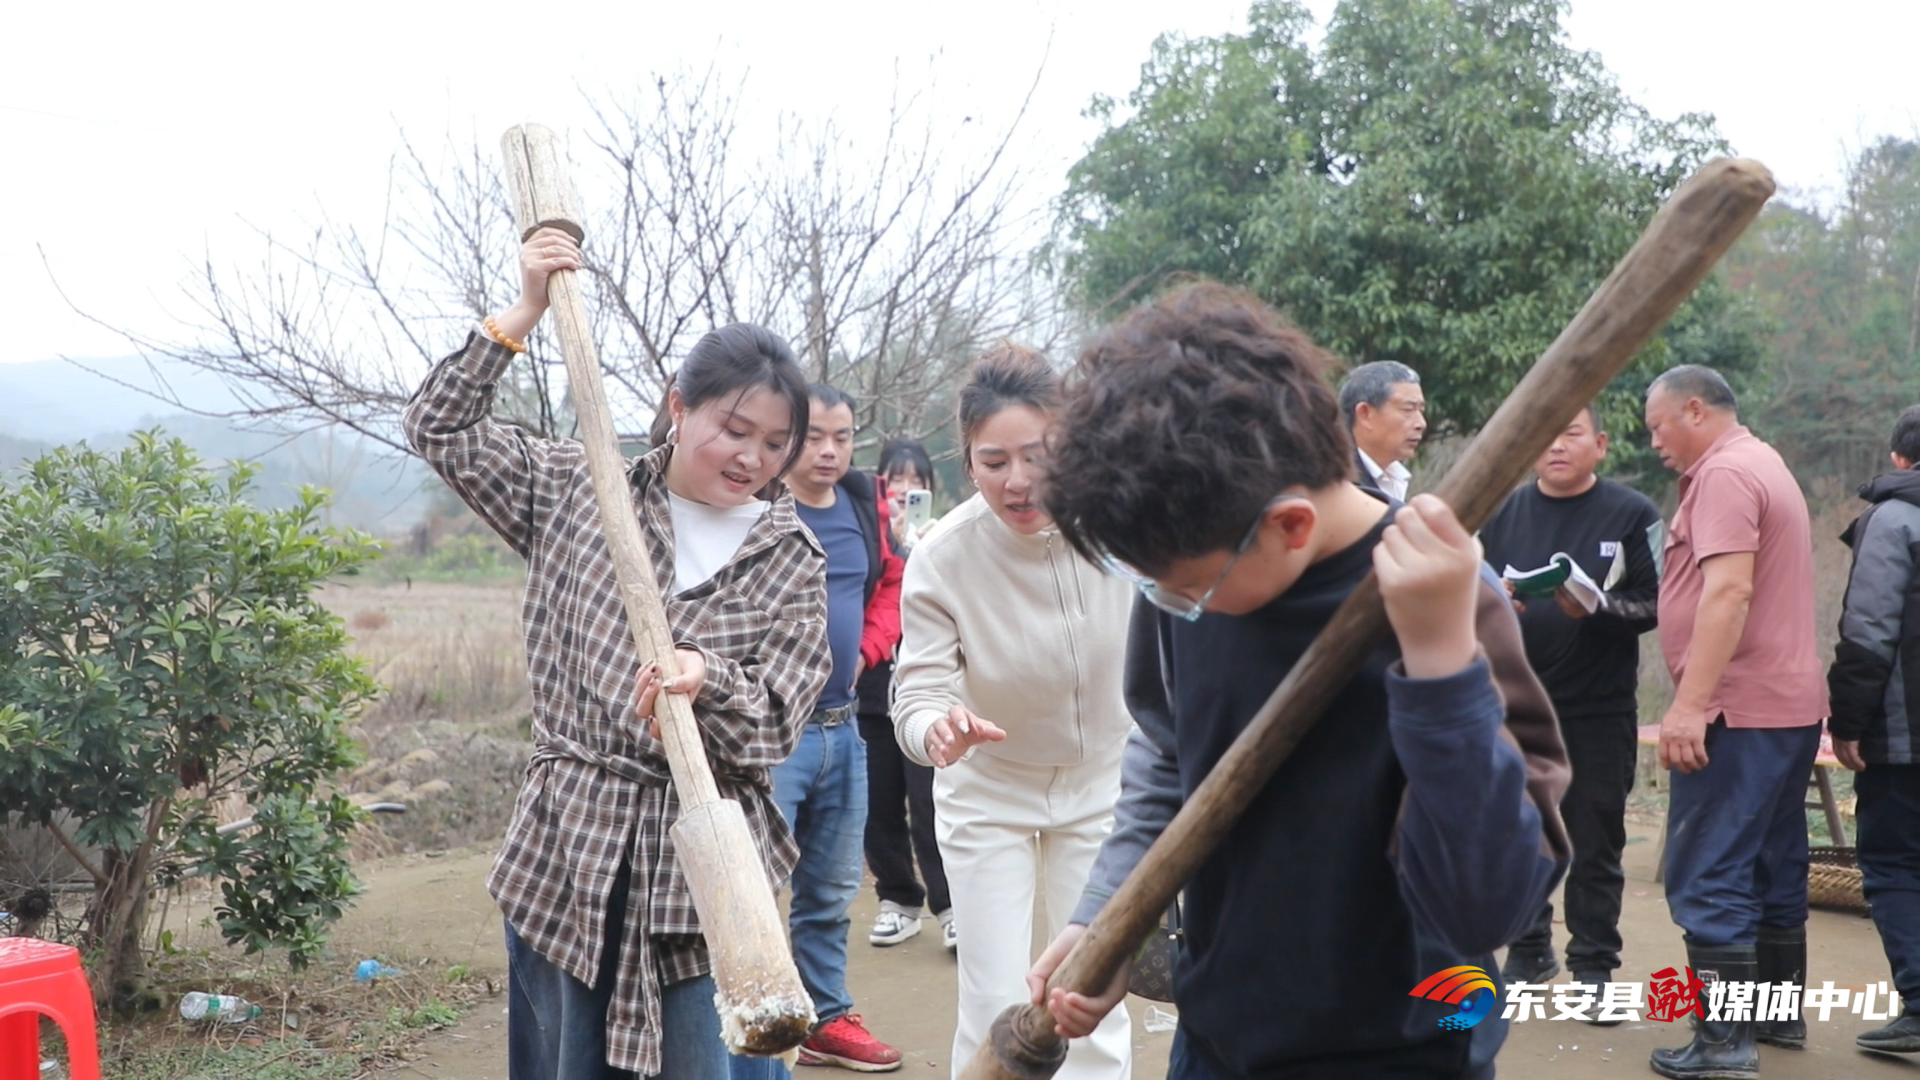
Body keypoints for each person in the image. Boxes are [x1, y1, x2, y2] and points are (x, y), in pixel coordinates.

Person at [1032, 282, 1569, 1079]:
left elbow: (1484, 903)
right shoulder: (1188, 561)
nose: (1171, 603)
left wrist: (1439, 662)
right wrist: (1111, 918)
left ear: (1289, 525)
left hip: (1402, 1052)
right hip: (1217, 1039)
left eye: (1185, 588)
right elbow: (1171, 752)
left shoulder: (1448, 600)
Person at [404, 227, 830, 1080]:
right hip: (572, 849)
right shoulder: (577, 487)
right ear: (679, 406)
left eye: (774, 442)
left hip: (703, 875)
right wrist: (523, 310)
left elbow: (781, 718)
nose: (751, 457)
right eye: (733, 428)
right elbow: (439, 427)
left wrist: (709, 681)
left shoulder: (791, 555)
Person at [891, 345, 1135, 1079]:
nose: (1018, 481)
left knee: (1091, 997)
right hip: (989, 791)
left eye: (1038, 455)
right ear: (968, 463)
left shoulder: (1122, 525)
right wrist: (936, 729)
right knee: (996, 1002)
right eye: (994, 462)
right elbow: (918, 690)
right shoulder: (944, 554)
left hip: (1105, 783)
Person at [1644, 364, 1827, 1078]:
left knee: (1712, 867)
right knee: (1771, 861)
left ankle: (1723, 1042)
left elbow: (1728, 592)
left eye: (1658, 426)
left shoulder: (1723, 474)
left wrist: (1690, 703)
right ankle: (1775, 1015)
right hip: (1785, 705)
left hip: (1738, 708)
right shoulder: (1764, 460)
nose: (1655, 442)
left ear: (1694, 410)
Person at [735, 384, 905, 1075]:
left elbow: (890, 584)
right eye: (814, 437)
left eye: (843, 436)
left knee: (831, 891)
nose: (830, 451)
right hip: (774, 736)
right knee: (756, 890)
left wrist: (867, 650)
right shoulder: (755, 509)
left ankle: (826, 1019)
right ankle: (752, 1025)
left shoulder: (864, 505)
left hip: (844, 728)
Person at [1478, 404, 1662, 1005]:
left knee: (1595, 840)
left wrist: (1599, 608)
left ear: (1600, 444)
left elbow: (1656, 602)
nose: (1556, 445)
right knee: (1519, 832)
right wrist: (1497, 598)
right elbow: (1469, 591)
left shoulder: (1633, 513)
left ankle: (1594, 968)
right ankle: (1528, 948)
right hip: (1516, 703)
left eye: (1571, 433)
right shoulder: (1502, 511)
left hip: (1599, 709)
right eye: (1546, 433)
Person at [1827, 403, 1920, 1054]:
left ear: (1898, 459)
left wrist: (1848, 722)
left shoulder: (1892, 520)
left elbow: (1867, 632)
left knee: (1892, 862)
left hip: (1906, 736)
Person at [857, 437, 954, 950]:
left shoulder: (943, 538)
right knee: (879, 805)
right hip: (873, 692)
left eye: (917, 482)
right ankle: (897, 901)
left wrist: (917, 545)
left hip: (927, 695)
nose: (905, 489)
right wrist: (888, 544)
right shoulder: (866, 536)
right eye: (897, 480)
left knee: (931, 801)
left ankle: (951, 905)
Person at [1337, 360, 1426, 500]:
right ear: (1365, 414)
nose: (1421, 424)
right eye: (1408, 409)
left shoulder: (1398, 479)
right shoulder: (1334, 481)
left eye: (1421, 410)